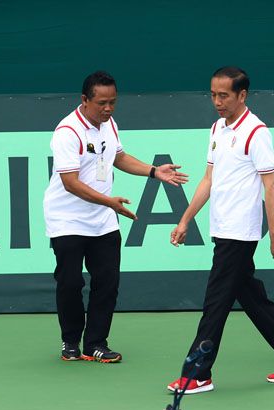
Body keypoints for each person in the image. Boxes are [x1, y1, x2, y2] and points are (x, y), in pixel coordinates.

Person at [166, 66, 274, 394]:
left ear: (242, 95)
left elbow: (271, 184)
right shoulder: (217, 128)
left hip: (240, 232)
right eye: (213, 95)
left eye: (224, 96)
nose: (217, 102)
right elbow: (208, 179)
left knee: (215, 302)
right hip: (221, 227)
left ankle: (197, 373)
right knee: (249, 295)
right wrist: (185, 218)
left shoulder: (256, 132)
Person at [45, 71, 188, 363]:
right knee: (70, 282)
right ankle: (70, 341)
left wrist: (153, 170)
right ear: (84, 100)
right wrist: (109, 202)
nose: (108, 109)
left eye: (113, 102)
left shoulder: (109, 124)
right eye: (101, 103)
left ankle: (96, 343)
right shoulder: (67, 132)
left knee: (107, 281)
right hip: (67, 220)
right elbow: (70, 182)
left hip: (104, 220)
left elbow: (118, 157)